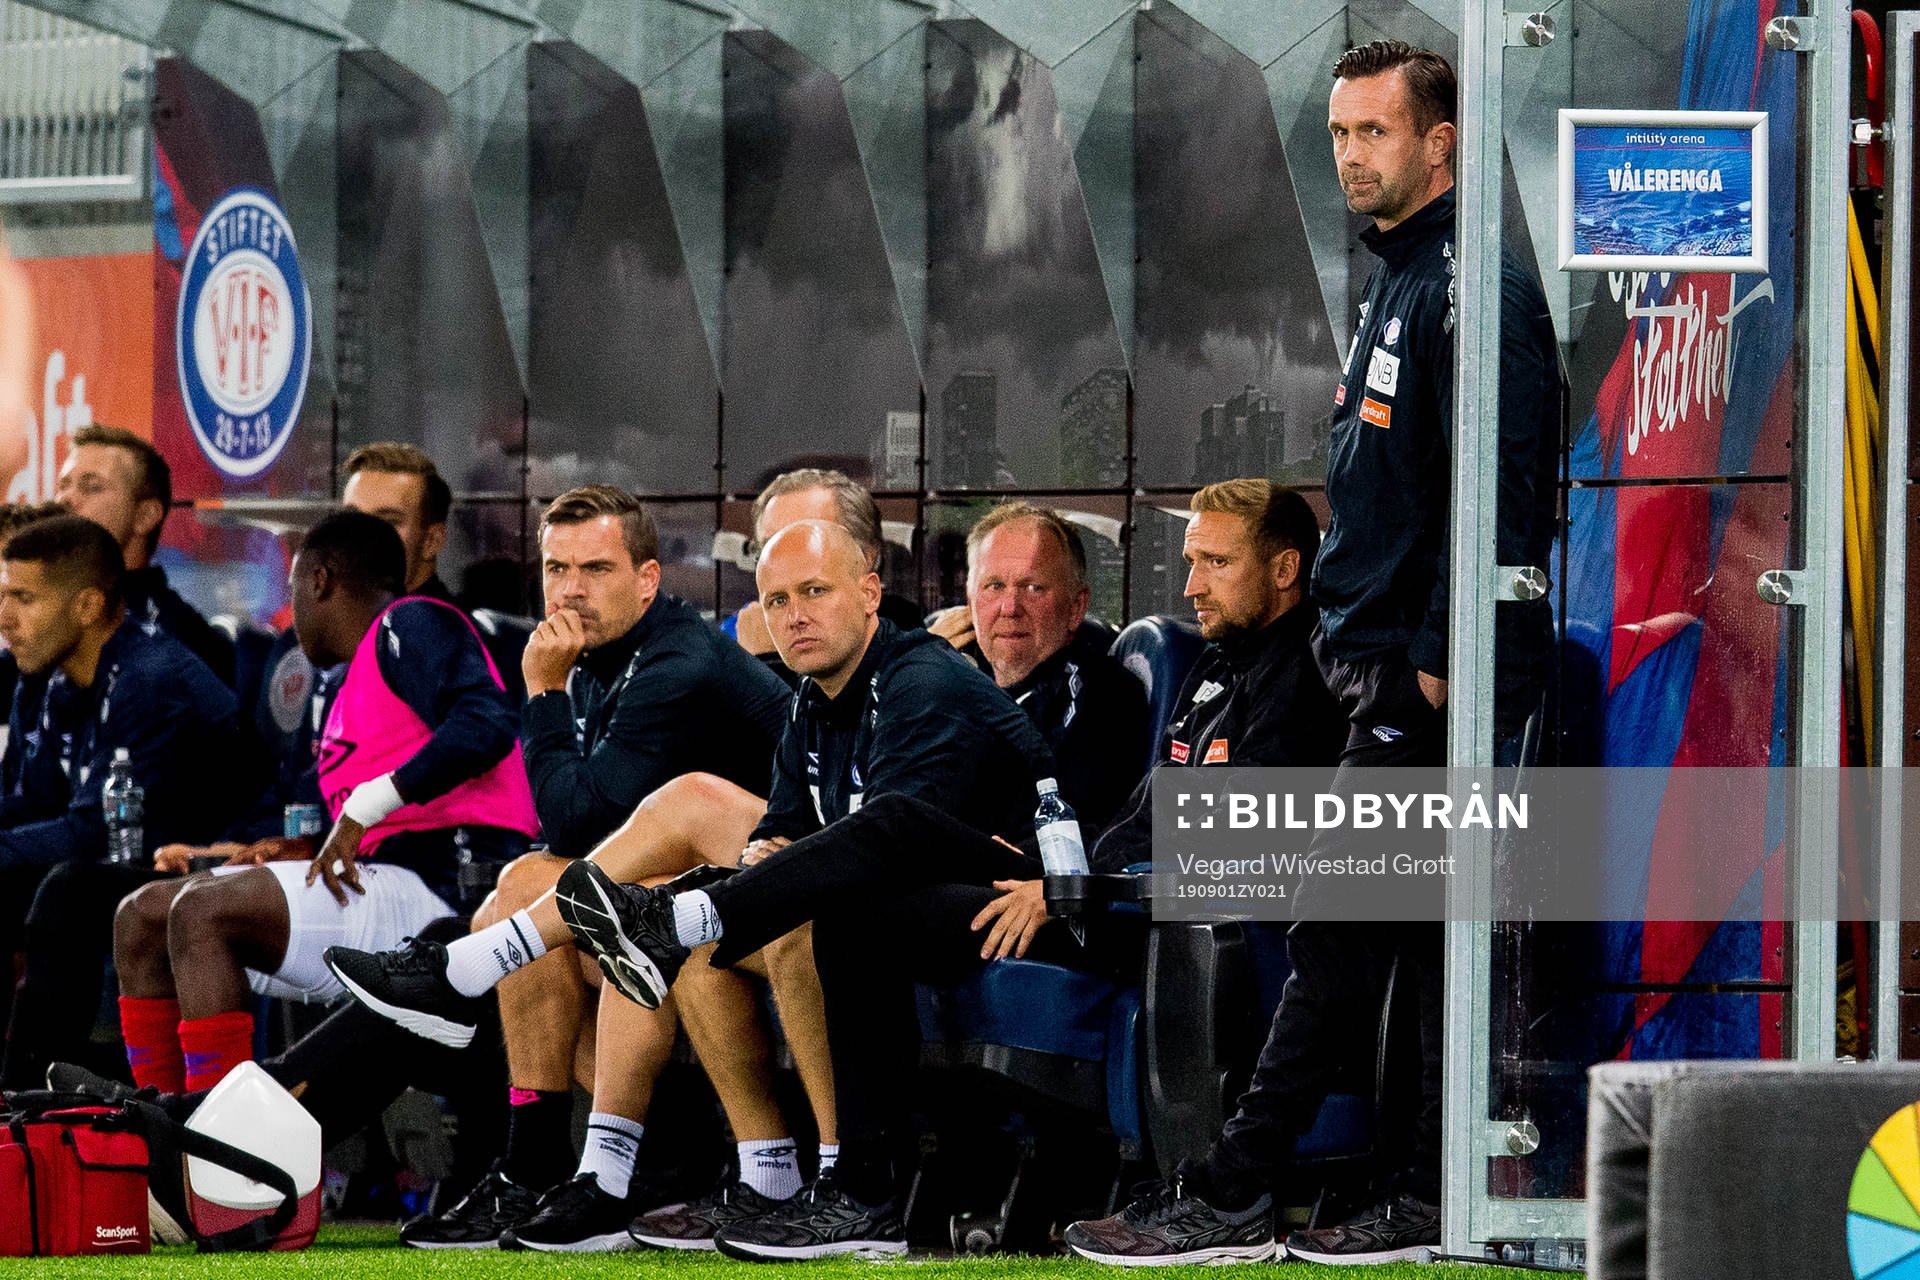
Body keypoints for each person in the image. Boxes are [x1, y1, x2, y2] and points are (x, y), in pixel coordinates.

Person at [539, 480, 1342, 1261]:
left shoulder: (1301, 674)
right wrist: (1056, 875)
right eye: (1192, 562)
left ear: (1283, 569)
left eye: (1215, 563)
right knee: (859, 899)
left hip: (1129, 916)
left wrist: (1067, 888)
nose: (1192, 584)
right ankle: (862, 1193)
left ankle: (688, 918)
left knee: (890, 826)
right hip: (1063, 883)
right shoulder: (1215, 668)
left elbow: (1246, 843)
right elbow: (1139, 818)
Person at [1066, 41, 1558, 1267]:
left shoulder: (1473, 288)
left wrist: (1438, 665)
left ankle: (1233, 1191)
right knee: (1411, 949)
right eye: (1339, 133)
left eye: (1373, 132)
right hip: (1380, 675)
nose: (1349, 155)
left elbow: (1502, 498)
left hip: (1430, 685)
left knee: (1337, 933)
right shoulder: (1400, 279)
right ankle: (1423, 1194)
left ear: (1440, 142)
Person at [325, 519, 1053, 1254]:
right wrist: (767, 853)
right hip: (874, 896)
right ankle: (692, 1174)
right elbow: (786, 825)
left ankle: (477, 970)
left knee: (695, 821)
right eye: (777, 600)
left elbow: (894, 841)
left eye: (815, 592)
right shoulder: (813, 694)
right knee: (594, 901)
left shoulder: (893, 676)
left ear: (870, 593)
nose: (795, 615)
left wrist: (543, 696)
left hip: (998, 902)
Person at [389, 485, 796, 1251]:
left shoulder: (676, 661)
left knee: (539, 895)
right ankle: (559, 1168)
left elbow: (576, 824)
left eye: (597, 569)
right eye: (557, 568)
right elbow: (581, 835)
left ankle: (582, 1168)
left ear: (647, 579)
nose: (571, 589)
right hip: (692, 903)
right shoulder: (602, 656)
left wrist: (541, 690)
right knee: (532, 899)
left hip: (779, 900)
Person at [109, 510, 539, 1094]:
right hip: (378, 880)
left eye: (293, 591)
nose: (291, 613)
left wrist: (364, 806)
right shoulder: (344, 684)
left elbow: (485, 723)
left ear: (319, 580)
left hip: (448, 886)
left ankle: (213, 1121)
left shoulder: (410, 620)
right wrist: (261, 848)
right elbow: (338, 814)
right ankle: (156, 1115)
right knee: (140, 916)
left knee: (202, 912)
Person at [0, 515, 242, 1087]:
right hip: (126, 862)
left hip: (211, 867)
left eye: (24, 599)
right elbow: (34, 803)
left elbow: (92, 834)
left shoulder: (151, 679)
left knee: (68, 891)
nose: (5, 618)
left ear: (87, 606)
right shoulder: (60, 678)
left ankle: (26, 1100)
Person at [55, 425, 233, 685]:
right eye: (63, 485)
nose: (65, 499)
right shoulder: (47, 615)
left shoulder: (180, 638)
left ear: (145, 516)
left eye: (91, 487)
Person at [732, 469, 923, 675]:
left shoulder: (913, 655)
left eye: (808, 543)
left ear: (865, 556)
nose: (783, 560)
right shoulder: (741, 630)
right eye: (770, 548)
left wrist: (767, 663)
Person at [341, 442, 456, 600]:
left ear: (432, 541)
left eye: (388, 522)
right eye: (352, 517)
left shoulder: (441, 617)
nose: (361, 536)